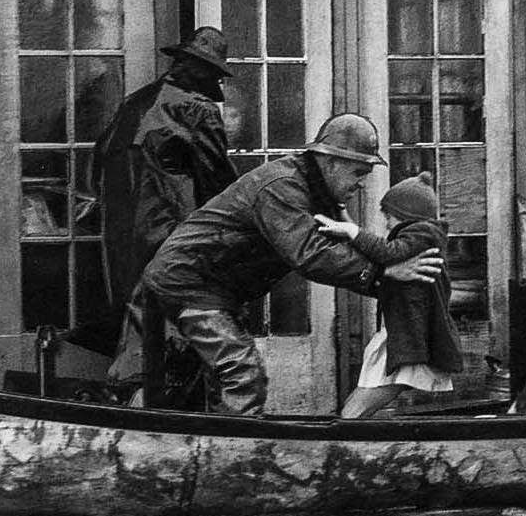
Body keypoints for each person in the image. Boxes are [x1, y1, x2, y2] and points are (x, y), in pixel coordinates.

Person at [141, 114, 443, 415]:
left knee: (203, 384)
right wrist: (385, 274)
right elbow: (310, 254)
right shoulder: (282, 186)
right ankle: (237, 454)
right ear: (330, 162)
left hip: (210, 286)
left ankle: (212, 447)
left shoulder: (317, 194)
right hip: (188, 282)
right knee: (242, 374)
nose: (362, 184)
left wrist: (397, 280)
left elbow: (346, 252)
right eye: (358, 172)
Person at [91, 26, 238, 317]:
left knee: (138, 321)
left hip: (122, 230)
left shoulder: (136, 101)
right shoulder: (199, 109)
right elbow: (218, 181)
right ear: (208, 72)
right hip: (173, 228)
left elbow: (98, 161)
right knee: (180, 319)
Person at [315, 171, 464, 418]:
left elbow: (387, 253)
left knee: (366, 399)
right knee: (363, 395)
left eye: (389, 217)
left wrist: (352, 231)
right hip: (402, 333)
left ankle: (342, 440)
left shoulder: (424, 235)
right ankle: (345, 435)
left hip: (412, 336)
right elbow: (376, 255)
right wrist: (342, 214)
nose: (386, 224)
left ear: (407, 216)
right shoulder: (419, 237)